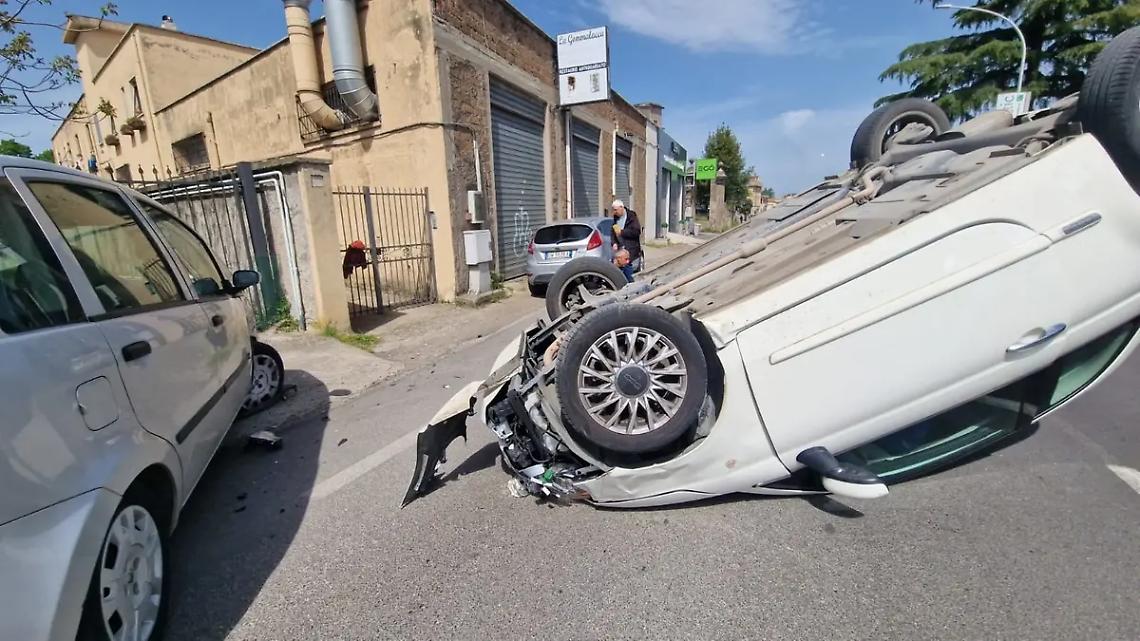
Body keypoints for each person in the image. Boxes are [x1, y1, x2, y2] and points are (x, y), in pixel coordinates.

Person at [609, 199, 642, 282]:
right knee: (618, 274)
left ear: (621, 207)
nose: (614, 212)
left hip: (630, 250)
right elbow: (613, 232)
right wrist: (614, 243)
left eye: (616, 210)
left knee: (629, 274)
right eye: (613, 210)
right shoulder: (616, 218)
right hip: (620, 251)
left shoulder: (631, 217)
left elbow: (636, 232)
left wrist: (622, 232)